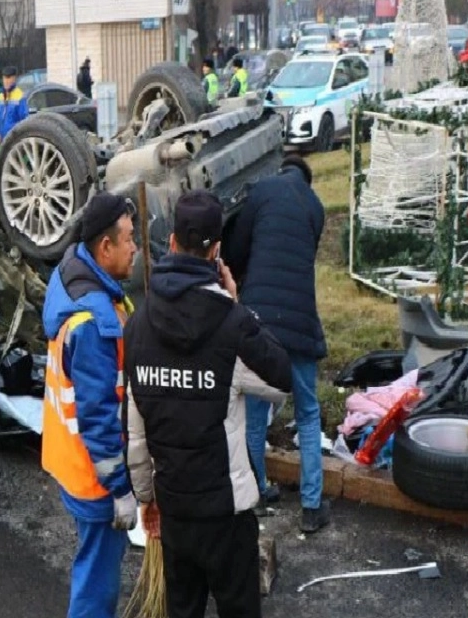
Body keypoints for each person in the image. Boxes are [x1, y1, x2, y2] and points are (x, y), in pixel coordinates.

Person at [124, 190, 291, 618]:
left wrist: (147, 498)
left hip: (175, 509)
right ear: (216, 252)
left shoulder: (138, 325)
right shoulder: (231, 323)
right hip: (227, 514)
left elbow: (137, 431)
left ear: (173, 242)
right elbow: (281, 380)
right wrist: (235, 302)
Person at [41, 192, 139, 618]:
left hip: (69, 461)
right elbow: (99, 418)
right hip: (95, 477)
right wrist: (120, 489)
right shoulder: (95, 325)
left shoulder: (72, 276)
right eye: (130, 239)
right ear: (106, 247)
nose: (135, 247)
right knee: (96, 585)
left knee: (92, 567)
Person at [223, 155, 330, 533]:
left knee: (253, 412)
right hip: (300, 320)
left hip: (259, 322)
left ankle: (260, 490)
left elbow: (237, 246)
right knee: (308, 413)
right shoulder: (315, 208)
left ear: (282, 170)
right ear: (307, 178)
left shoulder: (263, 190)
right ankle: (312, 507)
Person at [0, 66, 29, 143]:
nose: (6, 81)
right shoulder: (1, 96)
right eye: (4, 78)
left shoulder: (19, 96)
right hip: (3, 140)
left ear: (14, 79)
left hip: (15, 139)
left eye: (9, 78)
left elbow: (24, 120)